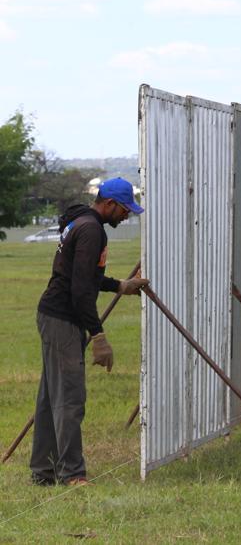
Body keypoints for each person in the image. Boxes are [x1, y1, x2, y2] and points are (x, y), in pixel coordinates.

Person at [30, 177, 148, 486]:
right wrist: (98, 336)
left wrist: (120, 285)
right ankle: (73, 475)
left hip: (52, 315)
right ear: (109, 205)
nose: (127, 217)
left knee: (50, 398)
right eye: (125, 210)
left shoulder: (81, 222)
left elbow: (84, 276)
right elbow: (81, 290)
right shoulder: (92, 230)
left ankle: (44, 471)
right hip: (63, 319)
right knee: (69, 397)